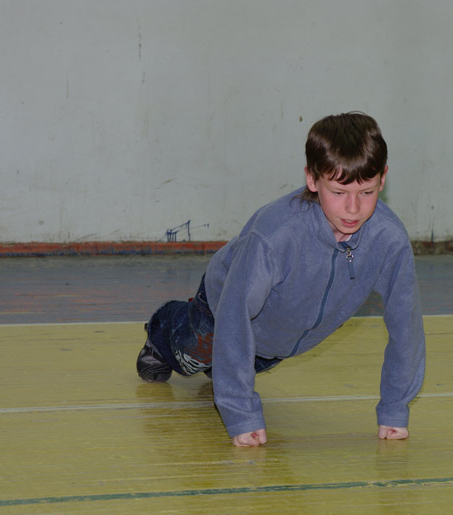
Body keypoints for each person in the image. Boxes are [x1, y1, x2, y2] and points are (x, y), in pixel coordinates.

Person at [137, 112, 426, 447]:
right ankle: (162, 330)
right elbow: (235, 313)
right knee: (191, 357)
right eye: (338, 191)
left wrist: (395, 408)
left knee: (223, 369)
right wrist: (241, 412)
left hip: (277, 341)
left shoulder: (389, 240)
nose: (352, 208)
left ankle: (222, 366)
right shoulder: (275, 235)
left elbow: (406, 325)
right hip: (223, 310)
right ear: (312, 179)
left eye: (367, 192)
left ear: (383, 178)